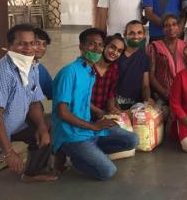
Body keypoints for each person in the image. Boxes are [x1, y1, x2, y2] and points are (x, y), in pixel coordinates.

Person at [52, 28, 138, 180]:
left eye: (99, 45)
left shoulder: (89, 72)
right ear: (81, 46)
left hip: (89, 129)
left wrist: (104, 116)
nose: (97, 48)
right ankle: (73, 154)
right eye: (91, 44)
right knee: (107, 172)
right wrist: (94, 126)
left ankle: (89, 152)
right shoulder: (69, 72)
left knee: (133, 140)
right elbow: (62, 113)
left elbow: (86, 103)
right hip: (72, 135)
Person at [0, 24, 57, 194]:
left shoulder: (32, 67)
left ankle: (32, 173)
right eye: (21, 44)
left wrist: (42, 128)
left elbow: (34, 102)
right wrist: (9, 152)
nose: (28, 49)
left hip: (15, 126)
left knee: (48, 128)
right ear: (9, 45)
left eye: (32, 43)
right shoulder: (1, 73)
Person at [148, 14, 187, 103]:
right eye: (167, 26)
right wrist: (165, 93)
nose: (171, 28)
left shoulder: (185, 46)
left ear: (179, 27)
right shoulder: (154, 47)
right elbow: (151, 76)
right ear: (163, 30)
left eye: (174, 24)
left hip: (182, 94)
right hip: (161, 95)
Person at [116, 20, 153, 110]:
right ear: (125, 35)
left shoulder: (145, 58)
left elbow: (145, 86)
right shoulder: (116, 55)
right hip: (115, 105)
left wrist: (147, 100)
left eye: (139, 33)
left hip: (136, 106)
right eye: (132, 33)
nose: (136, 36)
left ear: (144, 35)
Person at [90, 34, 126, 120]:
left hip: (102, 115)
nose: (114, 52)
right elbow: (81, 98)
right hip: (84, 115)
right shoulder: (90, 66)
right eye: (112, 47)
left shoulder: (114, 68)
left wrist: (113, 110)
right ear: (104, 46)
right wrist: (100, 112)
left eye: (119, 51)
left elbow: (111, 94)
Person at [33, 27, 54, 100]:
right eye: (37, 43)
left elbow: (53, 92)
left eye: (44, 45)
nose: (42, 48)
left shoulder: (40, 69)